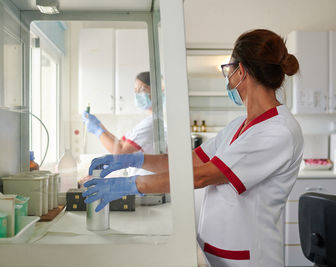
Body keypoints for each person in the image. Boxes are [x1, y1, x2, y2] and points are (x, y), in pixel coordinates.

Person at [82, 29, 304, 267]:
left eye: (228, 70)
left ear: (241, 71)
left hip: (248, 258)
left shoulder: (277, 130)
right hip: (215, 250)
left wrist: (131, 185)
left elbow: (201, 176)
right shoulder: (240, 124)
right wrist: (135, 160)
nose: (227, 77)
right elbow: (191, 161)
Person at [82, 71, 157, 155]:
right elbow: (120, 143)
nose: (137, 94)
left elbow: (121, 153)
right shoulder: (147, 121)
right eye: (136, 90)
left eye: (141, 89)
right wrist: (100, 126)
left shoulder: (151, 123)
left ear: (156, 90)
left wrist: (97, 131)